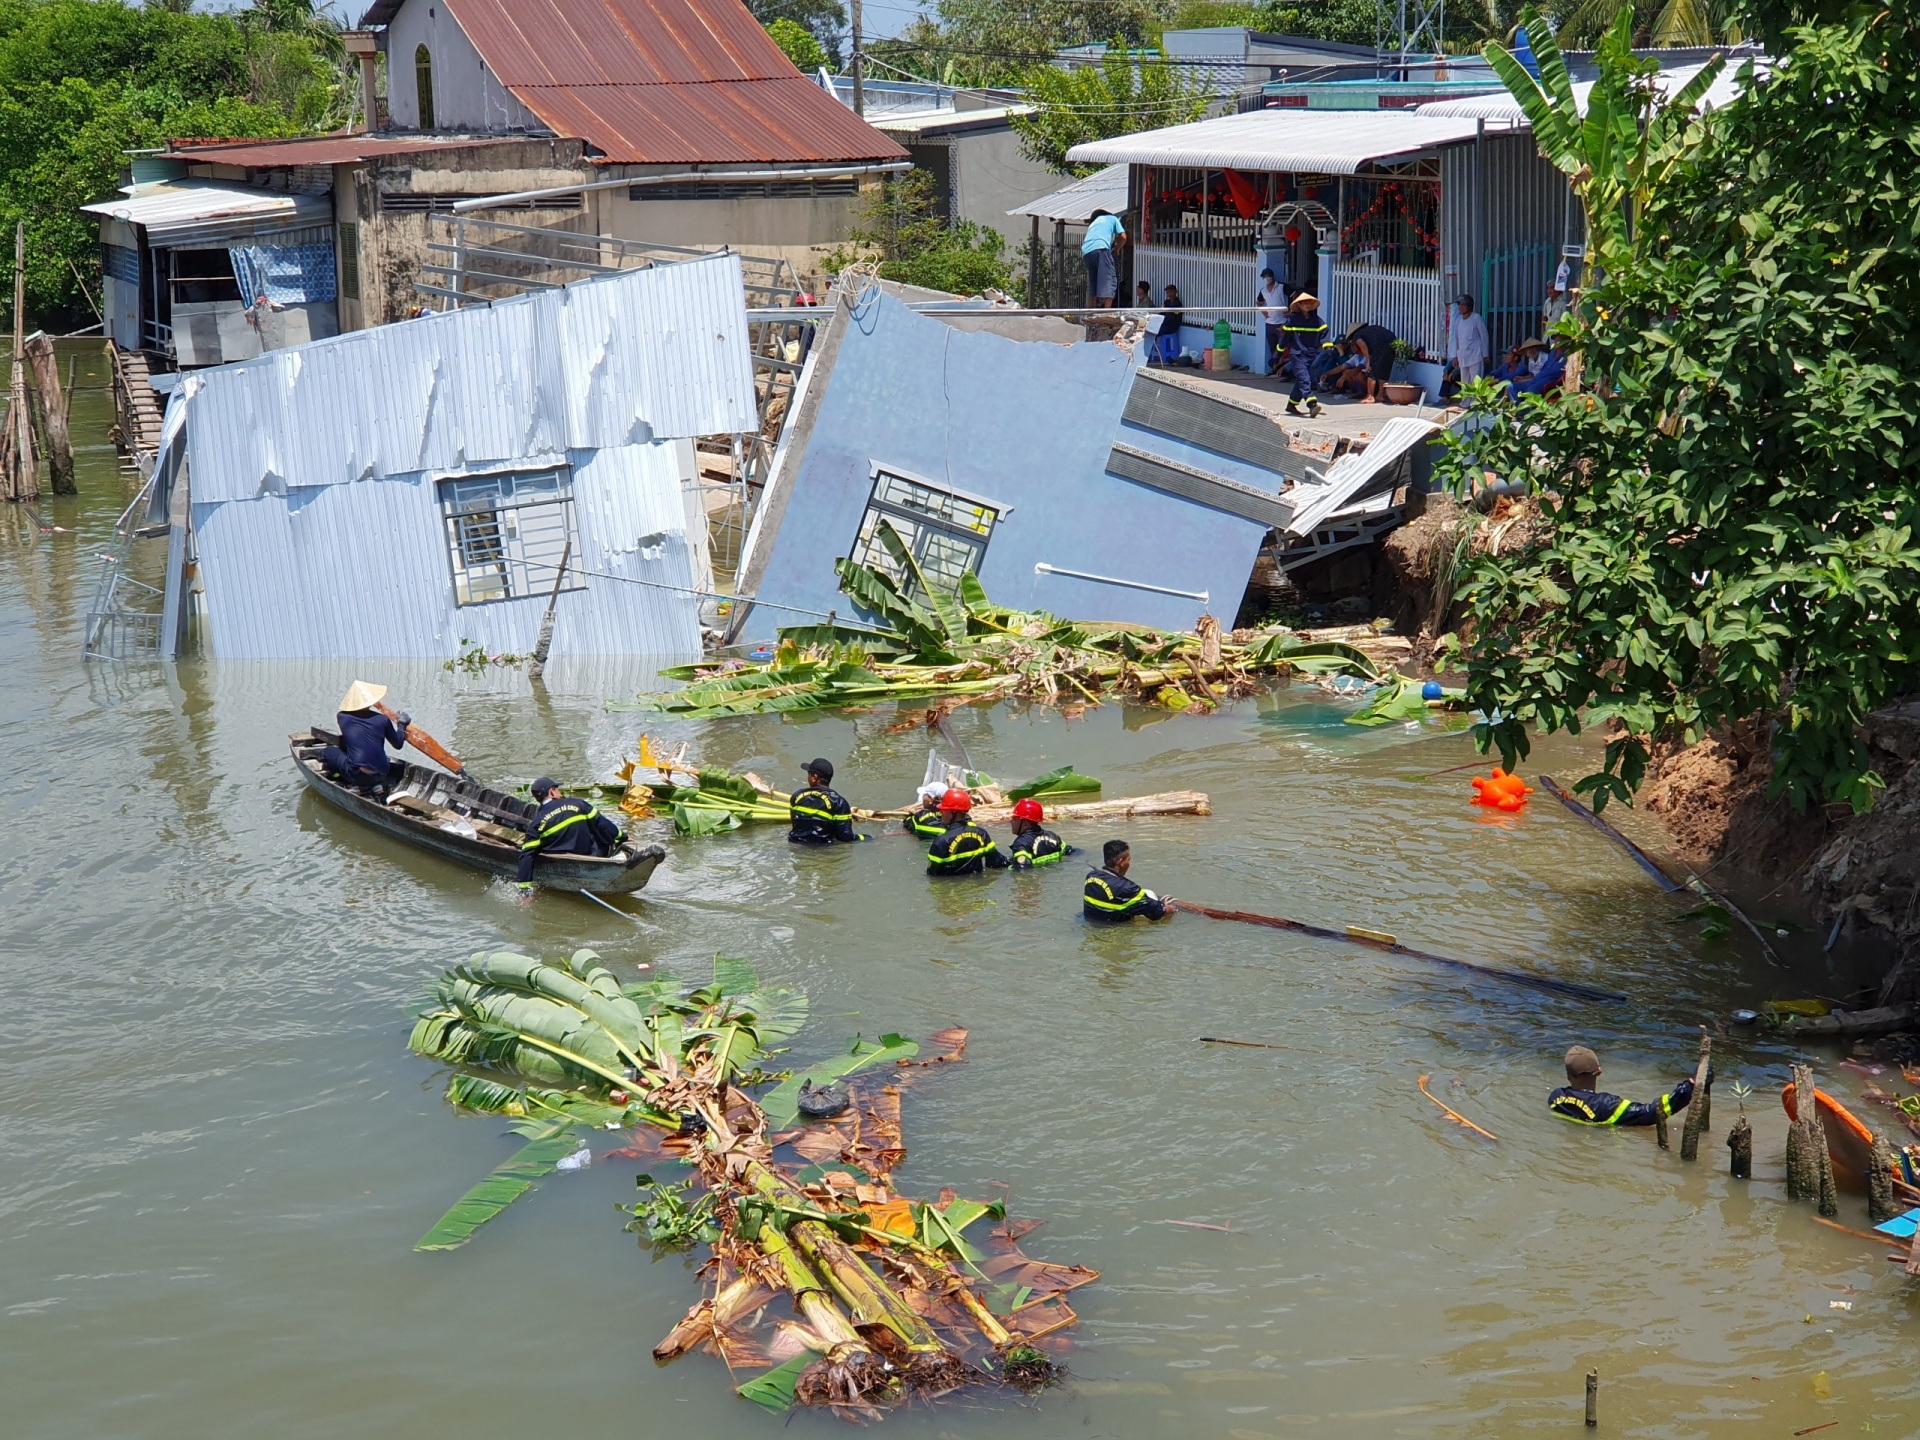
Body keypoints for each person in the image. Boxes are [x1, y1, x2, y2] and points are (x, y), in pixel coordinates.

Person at [1548, 1045, 1704, 1127]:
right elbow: (1652, 1112)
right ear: (1599, 1071)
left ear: (1568, 1076)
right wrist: (1690, 1086)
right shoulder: (1606, 1105)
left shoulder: (1556, 1097)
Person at [516, 776, 623, 885]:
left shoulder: (536, 823)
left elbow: (526, 856)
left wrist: (525, 889)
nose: (559, 792)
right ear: (552, 792)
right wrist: (623, 837)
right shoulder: (578, 804)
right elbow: (603, 824)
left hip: (558, 860)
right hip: (587, 854)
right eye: (557, 789)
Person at [320, 679, 409, 794]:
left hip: (358, 775)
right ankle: (376, 785)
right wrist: (401, 724)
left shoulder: (342, 717)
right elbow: (398, 744)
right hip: (383, 773)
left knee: (328, 751)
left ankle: (345, 780)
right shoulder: (383, 719)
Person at [926, 788, 1009, 876]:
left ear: (954, 812)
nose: (941, 811)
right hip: (979, 887)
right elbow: (996, 863)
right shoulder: (981, 834)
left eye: (944, 809)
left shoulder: (941, 841)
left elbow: (932, 876)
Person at [1082, 839, 1170, 922]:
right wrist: (1173, 909)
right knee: (1150, 895)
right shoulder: (1129, 889)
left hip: (1092, 923)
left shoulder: (1091, 878)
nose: (1129, 863)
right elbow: (1158, 912)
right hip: (1116, 931)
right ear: (1121, 862)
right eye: (1128, 859)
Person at [789, 758, 866, 844]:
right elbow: (845, 837)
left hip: (796, 846)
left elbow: (796, 825)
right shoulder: (839, 803)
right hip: (823, 849)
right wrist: (865, 838)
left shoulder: (797, 797)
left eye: (809, 774)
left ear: (814, 777)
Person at [1280, 292, 1327, 419]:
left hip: (1311, 355)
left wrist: (1327, 345)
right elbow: (1285, 338)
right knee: (1304, 378)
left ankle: (1291, 404)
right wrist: (1278, 352)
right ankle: (1312, 404)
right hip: (1297, 355)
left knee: (1303, 380)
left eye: (1309, 303)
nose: (1307, 305)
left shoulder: (1317, 320)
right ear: (1299, 305)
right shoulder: (1292, 321)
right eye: (1304, 303)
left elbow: (1324, 332)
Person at [1008, 798, 1075, 868]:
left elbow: (1022, 870)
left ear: (1026, 824)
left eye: (1014, 819)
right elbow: (1070, 851)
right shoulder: (1053, 836)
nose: (1011, 821)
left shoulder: (1021, 844)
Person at [1082, 209, 1126, 309]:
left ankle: (1092, 309)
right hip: (1100, 247)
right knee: (1109, 278)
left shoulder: (1093, 223)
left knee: (1094, 279)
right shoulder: (1113, 218)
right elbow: (1123, 237)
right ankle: (1107, 311)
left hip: (1086, 251)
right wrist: (1117, 249)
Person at [1446, 293, 1491, 389]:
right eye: (1459, 305)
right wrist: (1455, 356)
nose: (1460, 307)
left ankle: (1475, 403)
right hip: (1462, 356)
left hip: (1476, 355)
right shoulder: (1458, 320)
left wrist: (1485, 354)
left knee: (1475, 381)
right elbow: (1456, 339)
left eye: (1463, 305)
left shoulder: (1476, 318)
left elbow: (1484, 336)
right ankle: (1465, 403)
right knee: (1465, 382)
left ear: (1469, 306)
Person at [1346, 320, 1397, 403]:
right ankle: (1380, 395)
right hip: (1392, 341)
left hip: (1380, 346)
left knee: (1372, 371)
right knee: (1384, 371)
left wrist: (1368, 362)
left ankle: (1370, 396)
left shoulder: (1356, 336)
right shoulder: (1369, 332)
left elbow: (1363, 346)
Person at [1256, 268, 1286, 371]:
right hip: (1270, 323)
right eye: (1264, 277)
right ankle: (1276, 368)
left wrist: (1291, 310)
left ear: (1273, 277)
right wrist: (1264, 312)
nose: (1266, 279)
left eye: (1268, 276)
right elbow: (1258, 302)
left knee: (1283, 346)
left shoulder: (1281, 287)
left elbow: (1294, 295)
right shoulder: (1263, 291)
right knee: (1272, 347)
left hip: (1282, 322)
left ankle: (1284, 368)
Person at [1156, 283, 1185, 364]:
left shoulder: (1177, 304)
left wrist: (1165, 315)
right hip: (1165, 324)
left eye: (1171, 292)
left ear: (1175, 292)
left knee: (1156, 331)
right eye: (1168, 292)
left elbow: (1172, 317)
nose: (1169, 294)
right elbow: (1162, 312)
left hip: (1173, 326)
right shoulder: (1166, 302)